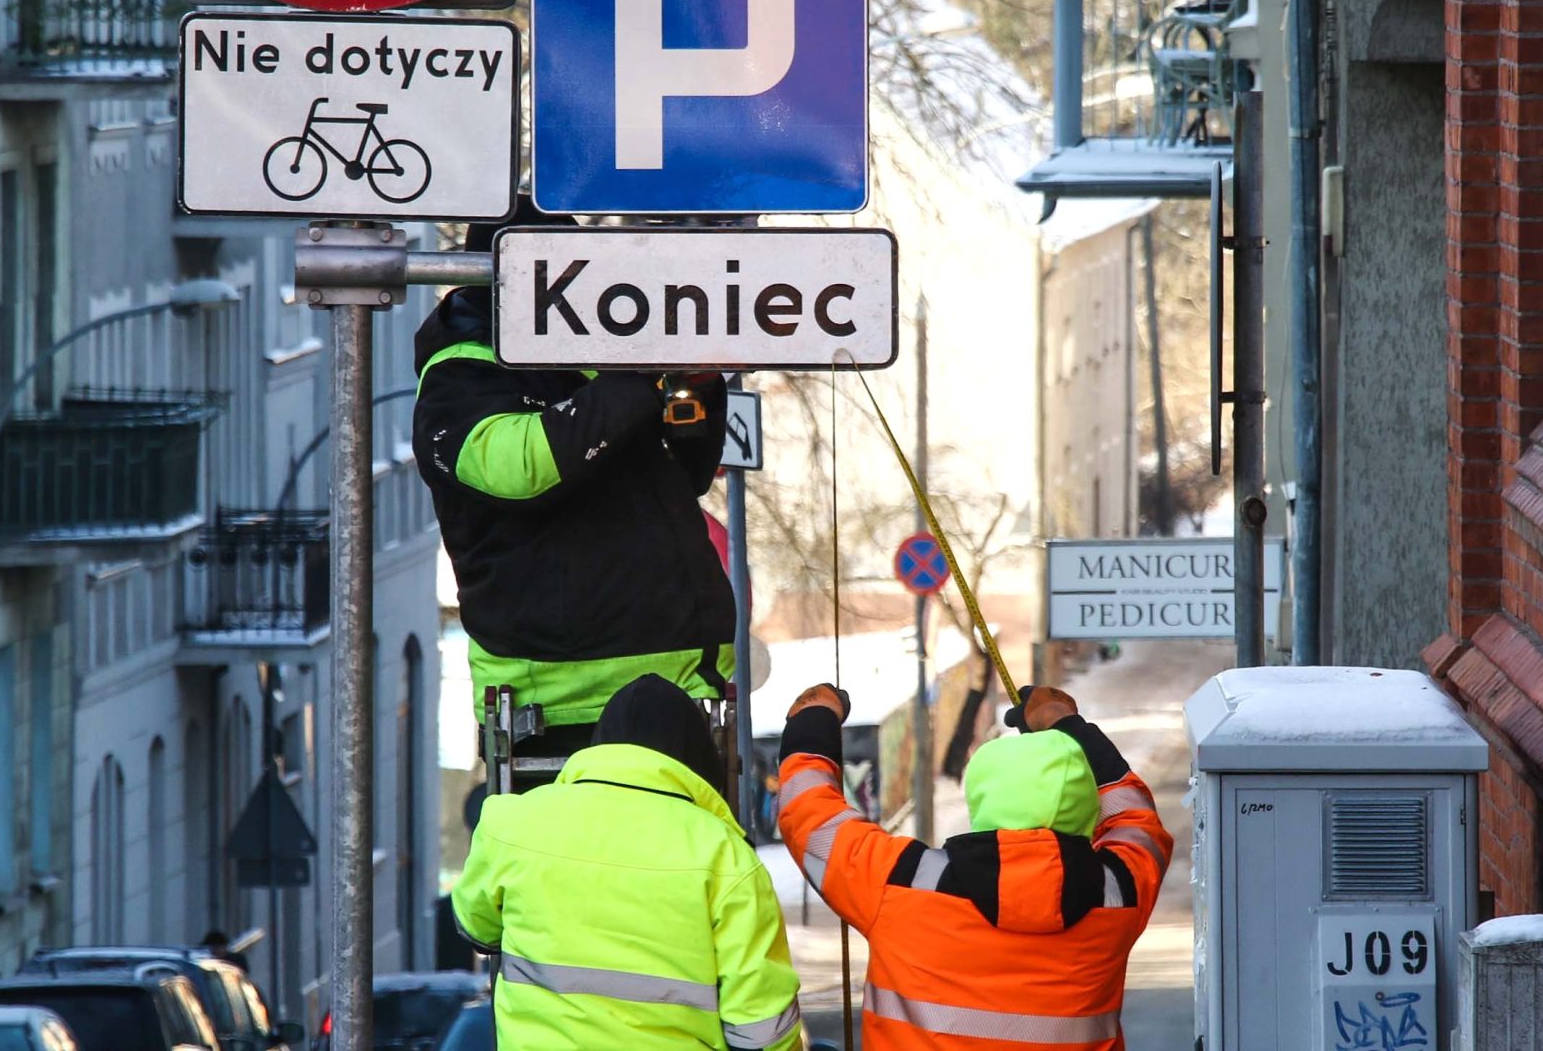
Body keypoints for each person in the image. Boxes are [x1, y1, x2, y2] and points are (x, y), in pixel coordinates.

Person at [414, 198, 734, 775]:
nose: (576, 291)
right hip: (557, 707)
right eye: (562, 276)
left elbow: (684, 478)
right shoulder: (460, 375)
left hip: (682, 685)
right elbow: (519, 469)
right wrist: (638, 379)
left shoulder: (593, 353)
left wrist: (699, 390)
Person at [775, 682, 1173, 1050]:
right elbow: (1136, 819)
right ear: (1085, 805)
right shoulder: (1119, 895)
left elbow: (810, 816)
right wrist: (1065, 722)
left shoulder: (899, 883)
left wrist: (813, 720)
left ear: (980, 798)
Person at [452, 674, 807, 1051]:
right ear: (701, 759)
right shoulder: (726, 856)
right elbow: (762, 1033)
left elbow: (476, 928)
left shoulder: (510, 823)